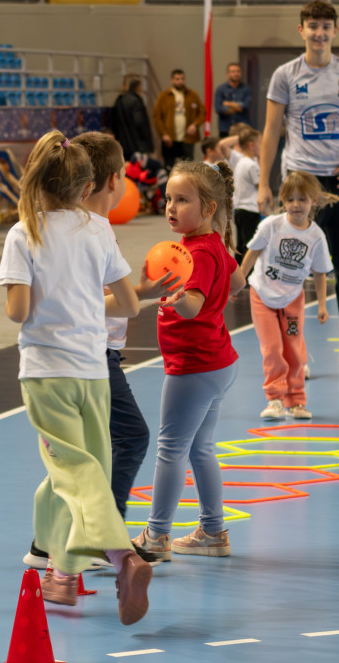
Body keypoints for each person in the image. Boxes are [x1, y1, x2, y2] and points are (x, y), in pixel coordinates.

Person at [0, 130, 152, 626]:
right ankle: (58, 570)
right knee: (86, 471)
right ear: (87, 189)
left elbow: (18, 311)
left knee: (73, 472)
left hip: (46, 372)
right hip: (93, 370)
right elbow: (128, 304)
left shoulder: (24, 233)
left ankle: (123, 556)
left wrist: (36, 297)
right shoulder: (97, 229)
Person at [22, 132, 174, 571]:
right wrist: (138, 296)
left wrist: (141, 293)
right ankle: (104, 539)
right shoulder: (87, 229)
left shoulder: (90, 227)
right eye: (126, 172)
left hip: (87, 355)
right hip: (87, 356)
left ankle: (47, 542)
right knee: (127, 439)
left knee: (74, 455)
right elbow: (78, 300)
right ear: (111, 180)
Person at [132, 160, 246, 562]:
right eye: (168, 199)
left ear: (209, 208)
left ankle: (156, 537)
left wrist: (176, 296)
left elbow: (194, 307)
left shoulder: (195, 253)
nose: (171, 207)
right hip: (218, 363)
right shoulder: (213, 244)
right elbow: (238, 282)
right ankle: (213, 531)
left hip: (194, 367)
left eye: (183, 200)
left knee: (170, 449)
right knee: (200, 449)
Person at [257, 0, 339, 379]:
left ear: (335, 31)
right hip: (301, 182)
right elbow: (272, 131)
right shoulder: (285, 75)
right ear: (302, 30)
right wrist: (263, 181)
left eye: (326, 26)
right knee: (291, 273)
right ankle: (295, 355)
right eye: (313, 26)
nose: (319, 32)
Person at [239, 171, 334, 420]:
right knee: (272, 349)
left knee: (293, 349)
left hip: (292, 301)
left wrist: (322, 304)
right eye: (289, 199)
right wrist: (237, 282)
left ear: (313, 200)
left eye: (301, 199)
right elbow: (251, 253)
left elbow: (320, 273)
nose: (295, 205)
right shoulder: (271, 226)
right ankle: (275, 399)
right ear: (283, 201)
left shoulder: (316, 237)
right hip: (262, 297)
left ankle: (297, 401)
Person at [152, 69, 206, 172]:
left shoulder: (192, 95)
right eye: (177, 79)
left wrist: (195, 125)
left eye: (182, 79)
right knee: (169, 166)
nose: (180, 81)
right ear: (172, 80)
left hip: (187, 138)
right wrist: (163, 134)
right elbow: (157, 117)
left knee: (189, 167)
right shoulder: (164, 96)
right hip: (170, 138)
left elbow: (202, 112)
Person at [230, 126, 264, 264]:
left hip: (239, 209)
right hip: (250, 209)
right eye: (260, 144)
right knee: (249, 245)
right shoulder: (252, 165)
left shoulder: (241, 163)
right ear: (251, 145)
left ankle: (237, 271)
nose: (262, 147)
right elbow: (261, 186)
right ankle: (247, 275)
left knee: (240, 245)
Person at [110, 74, 154, 162]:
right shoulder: (135, 101)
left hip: (123, 142)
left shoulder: (119, 100)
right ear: (138, 87)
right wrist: (146, 139)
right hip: (136, 143)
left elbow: (113, 122)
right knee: (137, 170)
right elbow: (139, 122)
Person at [214, 62, 253, 138]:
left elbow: (245, 106)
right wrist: (238, 107)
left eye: (238, 71)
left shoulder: (246, 89)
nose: (236, 74)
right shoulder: (221, 89)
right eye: (233, 71)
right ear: (228, 74)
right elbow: (218, 109)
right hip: (225, 129)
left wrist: (228, 103)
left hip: (242, 129)